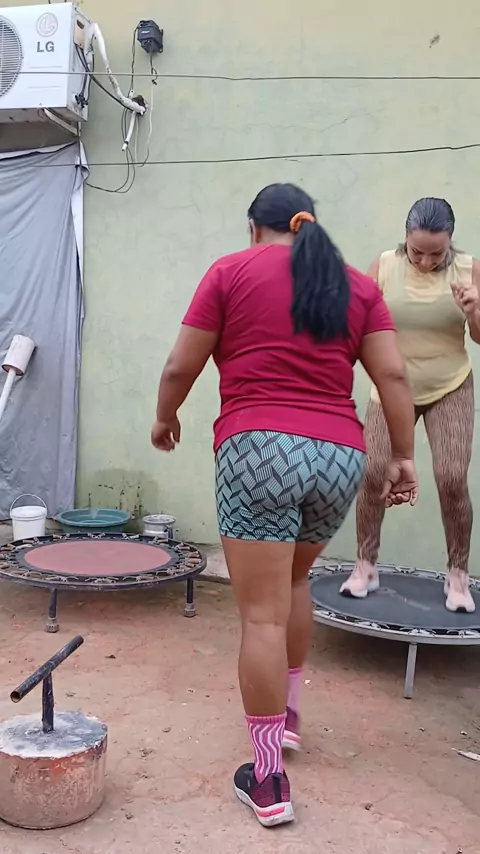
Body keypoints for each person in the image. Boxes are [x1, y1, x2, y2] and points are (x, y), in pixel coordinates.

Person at [151, 183, 418, 828]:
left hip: (259, 450)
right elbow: (392, 376)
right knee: (296, 581)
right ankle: (288, 714)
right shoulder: (358, 287)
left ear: (254, 228)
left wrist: (165, 417)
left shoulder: (230, 272)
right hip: (339, 457)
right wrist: (405, 456)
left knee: (262, 616)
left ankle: (268, 779)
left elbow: (180, 366)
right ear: (309, 227)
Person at [341, 198, 479, 613]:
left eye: (436, 253)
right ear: (405, 238)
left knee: (451, 477)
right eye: (417, 251)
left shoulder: (469, 269)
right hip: (391, 388)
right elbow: (356, 324)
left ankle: (458, 575)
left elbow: (479, 337)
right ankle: (365, 566)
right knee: (373, 473)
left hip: (449, 386)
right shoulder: (385, 266)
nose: (425, 261)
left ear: (450, 241)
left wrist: (474, 311)